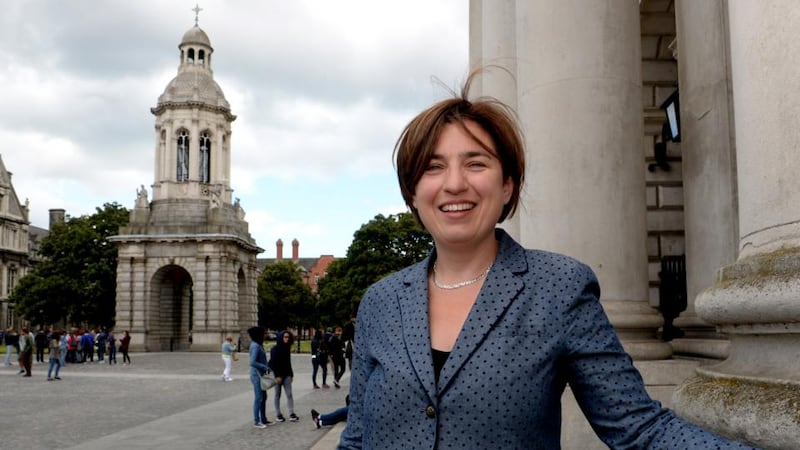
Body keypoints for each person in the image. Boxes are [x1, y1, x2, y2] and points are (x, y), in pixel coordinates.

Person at [338, 69, 757, 449]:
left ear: (507, 185)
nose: (454, 184)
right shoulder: (381, 300)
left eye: (475, 163)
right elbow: (356, 439)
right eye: (433, 167)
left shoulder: (557, 286)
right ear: (413, 191)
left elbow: (639, 428)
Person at [268, 330, 299, 422]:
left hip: (287, 375)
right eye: (285, 337)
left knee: (289, 394)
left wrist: (291, 374)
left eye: (288, 337)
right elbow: (273, 363)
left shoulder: (287, 348)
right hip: (277, 375)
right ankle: (278, 414)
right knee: (277, 394)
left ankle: (291, 413)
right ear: (281, 338)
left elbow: (288, 363)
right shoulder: (275, 349)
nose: (287, 339)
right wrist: (277, 376)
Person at [248, 326, 271, 428]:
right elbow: (252, 362)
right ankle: (256, 421)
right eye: (264, 333)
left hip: (261, 374)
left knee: (264, 397)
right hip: (256, 375)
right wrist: (264, 367)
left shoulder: (258, 345)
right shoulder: (255, 346)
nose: (265, 335)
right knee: (259, 398)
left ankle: (264, 418)